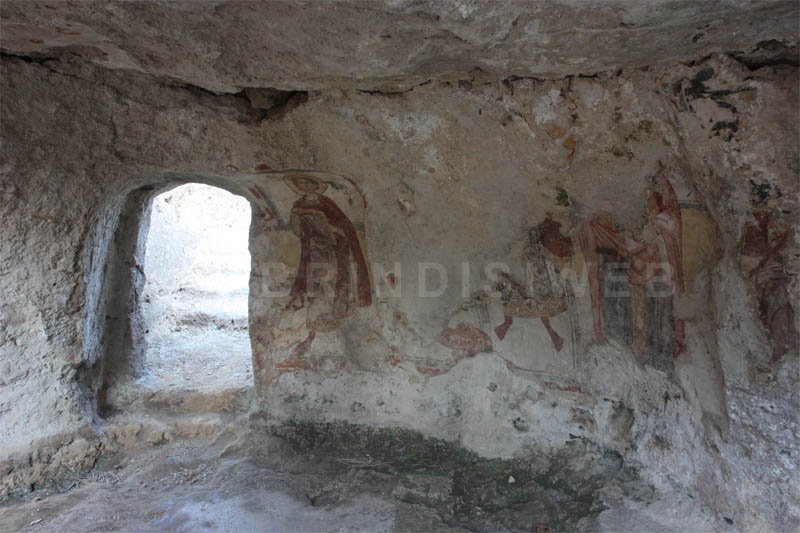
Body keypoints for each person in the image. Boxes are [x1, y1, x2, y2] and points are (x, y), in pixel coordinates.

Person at [284, 174, 371, 333]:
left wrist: (332, 229)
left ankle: (336, 313)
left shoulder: (326, 202)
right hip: (313, 248)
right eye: (300, 183)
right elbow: (297, 230)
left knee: (334, 278)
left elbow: (344, 223)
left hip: (335, 246)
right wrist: (298, 219)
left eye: (306, 182)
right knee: (316, 280)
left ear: (314, 185)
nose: (304, 186)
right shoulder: (298, 204)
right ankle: (316, 317)